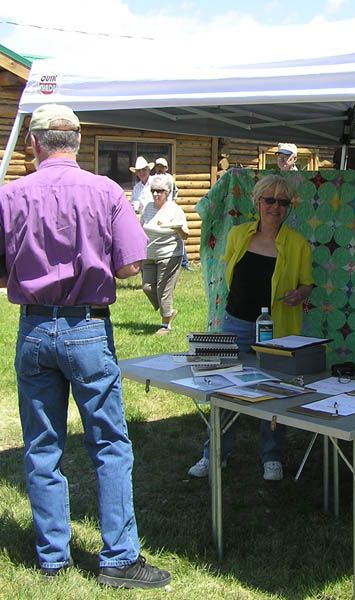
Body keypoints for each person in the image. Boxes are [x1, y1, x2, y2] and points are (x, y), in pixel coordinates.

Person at [0, 103, 171, 588]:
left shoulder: (10, 195)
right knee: (110, 444)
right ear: (78, 141)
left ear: (33, 144)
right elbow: (131, 266)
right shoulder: (107, 191)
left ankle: (53, 557)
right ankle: (118, 558)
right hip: (87, 327)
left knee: (41, 445)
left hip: (34, 327)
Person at [188, 174, 313, 481]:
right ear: (257, 202)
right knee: (223, 389)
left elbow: (307, 284)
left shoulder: (298, 244)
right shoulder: (238, 235)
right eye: (269, 200)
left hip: (278, 329)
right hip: (236, 323)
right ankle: (214, 454)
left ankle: (271, 456)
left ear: (289, 207)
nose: (275, 207)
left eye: (282, 202)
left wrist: (301, 294)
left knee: (273, 391)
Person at [140, 173, 187, 335]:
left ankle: (166, 324)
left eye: (159, 191)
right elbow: (141, 229)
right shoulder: (148, 208)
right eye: (153, 190)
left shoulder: (175, 210)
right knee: (147, 287)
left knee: (163, 289)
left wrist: (178, 228)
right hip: (148, 254)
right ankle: (168, 311)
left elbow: (185, 235)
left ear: (167, 192)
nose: (155, 194)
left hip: (170, 255)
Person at [154, 157, 193, 271]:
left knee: (178, 234)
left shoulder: (170, 179)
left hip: (170, 210)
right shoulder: (153, 179)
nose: (159, 168)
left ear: (166, 168)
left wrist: (173, 203)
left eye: (161, 166)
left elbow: (175, 192)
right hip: (157, 210)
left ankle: (184, 263)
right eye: (158, 166)